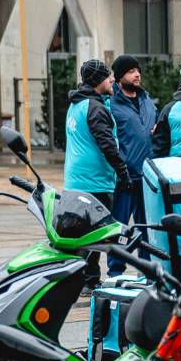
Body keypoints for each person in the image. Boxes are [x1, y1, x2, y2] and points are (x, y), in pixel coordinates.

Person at [65, 59, 130, 289]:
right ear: (97, 81)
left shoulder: (77, 104)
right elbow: (107, 145)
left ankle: (87, 280)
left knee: (83, 233)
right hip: (95, 181)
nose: (112, 79)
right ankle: (84, 281)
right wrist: (123, 171)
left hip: (76, 180)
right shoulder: (95, 108)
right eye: (107, 76)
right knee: (95, 234)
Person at [108, 54, 157, 274]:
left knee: (146, 227)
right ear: (119, 77)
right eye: (131, 71)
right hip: (124, 177)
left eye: (138, 70)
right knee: (119, 227)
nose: (137, 75)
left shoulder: (147, 100)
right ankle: (115, 271)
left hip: (147, 175)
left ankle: (146, 270)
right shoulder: (111, 104)